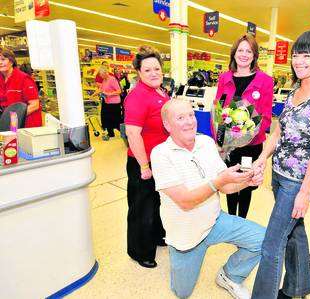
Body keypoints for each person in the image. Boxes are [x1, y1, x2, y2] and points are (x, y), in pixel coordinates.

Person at [251, 30, 310, 299]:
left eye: (307, 55)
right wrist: (261, 158)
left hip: (297, 182)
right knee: (295, 232)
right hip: (279, 174)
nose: (298, 61)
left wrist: (304, 192)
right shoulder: (294, 90)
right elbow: (278, 131)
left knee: (272, 244)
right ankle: (299, 287)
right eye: (296, 55)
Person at [151, 99, 266, 299]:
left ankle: (230, 276)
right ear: (167, 125)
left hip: (215, 220)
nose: (189, 122)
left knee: (264, 239)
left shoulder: (206, 142)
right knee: (182, 292)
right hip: (186, 235)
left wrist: (248, 181)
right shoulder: (161, 154)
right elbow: (185, 201)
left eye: (191, 115)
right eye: (180, 118)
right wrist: (219, 180)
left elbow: (227, 187)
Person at [214, 34, 274, 219]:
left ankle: (242, 220)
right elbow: (218, 109)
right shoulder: (224, 78)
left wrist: (246, 136)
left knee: (246, 183)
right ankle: (232, 218)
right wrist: (221, 139)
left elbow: (265, 116)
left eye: (249, 51)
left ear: (254, 55)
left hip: (250, 145)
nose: (244, 54)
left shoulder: (265, 80)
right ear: (234, 53)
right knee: (231, 181)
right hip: (229, 145)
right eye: (241, 50)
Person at [123, 46, 169, 268]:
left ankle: (157, 235)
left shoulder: (161, 92)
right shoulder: (137, 96)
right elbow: (132, 133)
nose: (153, 73)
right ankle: (139, 251)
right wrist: (143, 165)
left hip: (160, 160)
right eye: (148, 70)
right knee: (142, 207)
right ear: (139, 73)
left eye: (157, 69)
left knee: (157, 202)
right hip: (143, 162)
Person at [0, 47, 42, 128]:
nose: (0, 62)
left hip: (26, 123)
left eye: (3, 59)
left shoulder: (23, 78)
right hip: (9, 121)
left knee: (17, 140)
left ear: (11, 61)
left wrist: (13, 118)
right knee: (9, 139)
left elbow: (35, 105)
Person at [93, 67, 122, 138]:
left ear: (106, 73)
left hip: (114, 103)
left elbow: (119, 91)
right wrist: (93, 95)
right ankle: (111, 133)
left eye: (101, 75)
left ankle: (125, 133)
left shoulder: (112, 79)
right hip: (107, 102)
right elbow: (101, 89)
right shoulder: (104, 80)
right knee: (106, 118)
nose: (100, 76)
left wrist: (109, 94)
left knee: (116, 119)